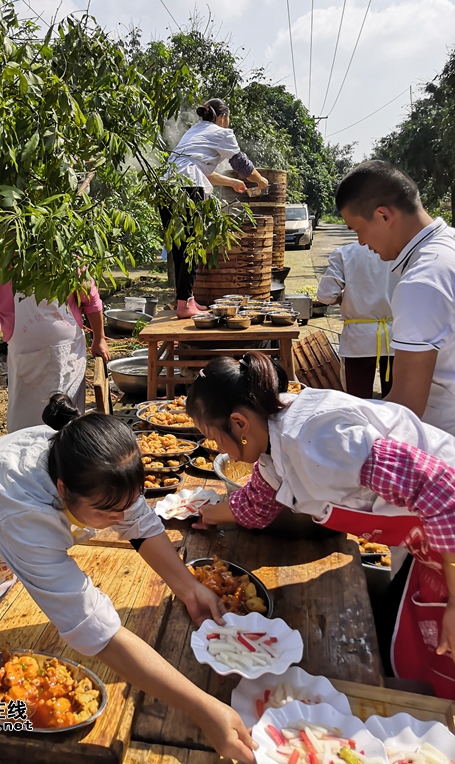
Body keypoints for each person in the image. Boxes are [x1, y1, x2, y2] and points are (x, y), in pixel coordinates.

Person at [0, 395, 256, 762]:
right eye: (106, 512)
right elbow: (93, 626)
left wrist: (190, 588)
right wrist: (201, 707)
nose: (120, 518)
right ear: (64, 489)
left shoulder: (91, 459)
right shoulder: (22, 511)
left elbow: (139, 522)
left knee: (9, 636)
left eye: (126, 503)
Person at [185, 353, 455, 698]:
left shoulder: (319, 440)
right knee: (404, 637)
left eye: (213, 437)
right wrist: (205, 515)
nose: (217, 447)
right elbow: (255, 506)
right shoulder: (272, 440)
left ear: (238, 424)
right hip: (426, 542)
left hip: (447, 527)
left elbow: (442, 490)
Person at [335, 160, 455, 434]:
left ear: (383, 216)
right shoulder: (448, 247)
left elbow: (405, 408)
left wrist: (336, 425)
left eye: (357, 230)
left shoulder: (421, 282)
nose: (361, 243)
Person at [165, 98, 269, 318]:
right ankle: (185, 305)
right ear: (223, 116)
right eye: (228, 117)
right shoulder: (222, 133)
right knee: (192, 245)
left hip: (166, 189)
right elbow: (242, 164)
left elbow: (201, 170)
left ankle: (185, 300)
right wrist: (261, 182)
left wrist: (233, 183)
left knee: (179, 249)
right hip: (189, 190)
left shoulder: (194, 131)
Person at [0, 280, 110, 431]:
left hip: (68, 354)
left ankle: (68, 452)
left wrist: (99, 338)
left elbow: (90, 299)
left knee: (67, 419)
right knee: (26, 425)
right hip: (25, 358)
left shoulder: (68, 260)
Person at [317, 242, 397, 398]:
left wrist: (342, 297)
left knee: (358, 401)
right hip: (396, 337)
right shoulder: (400, 252)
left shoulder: (345, 253)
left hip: (358, 339)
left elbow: (325, 295)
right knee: (396, 403)